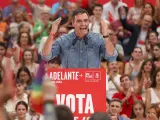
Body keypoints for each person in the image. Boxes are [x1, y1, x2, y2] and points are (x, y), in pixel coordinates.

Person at [41, 8, 117, 68]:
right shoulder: (63, 40)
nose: (83, 24)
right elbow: (45, 56)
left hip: (92, 84)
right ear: (73, 23)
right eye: (79, 21)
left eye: (85, 20)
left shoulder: (98, 38)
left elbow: (112, 57)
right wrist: (52, 34)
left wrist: (106, 36)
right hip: (70, 84)